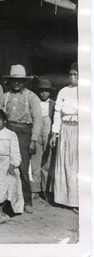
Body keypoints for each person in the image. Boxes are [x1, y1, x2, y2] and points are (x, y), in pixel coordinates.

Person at [2, 64, 42, 213]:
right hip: (7, 132)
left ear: (24, 81)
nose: (16, 83)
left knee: (23, 167)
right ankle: (6, 199)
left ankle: (27, 200)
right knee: (7, 165)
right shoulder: (5, 96)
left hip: (24, 133)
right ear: (10, 81)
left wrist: (33, 140)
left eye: (19, 80)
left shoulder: (31, 97)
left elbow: (38, 119)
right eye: (14, 80)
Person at [50, 63, 79, 213]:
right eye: (71, 75)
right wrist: (55, 133)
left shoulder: (86, 91)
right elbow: (57, 114)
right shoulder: (63, 91)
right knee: (64, 162)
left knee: (77, 164)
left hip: (80, 130)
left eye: (76, 75)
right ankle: (62, 198)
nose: (72, 78)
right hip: (65, 130)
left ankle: (77, 200)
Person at [32, 79, 56, 198]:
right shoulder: (35, 102)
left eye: (46, 91)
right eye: (42, 91)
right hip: (37, 132)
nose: (44, 93)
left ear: (50, 92)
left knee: (47, 161)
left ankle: (46, 191)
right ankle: (35, 190)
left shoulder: (54, 104)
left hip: (48, 133)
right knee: (35, 160)